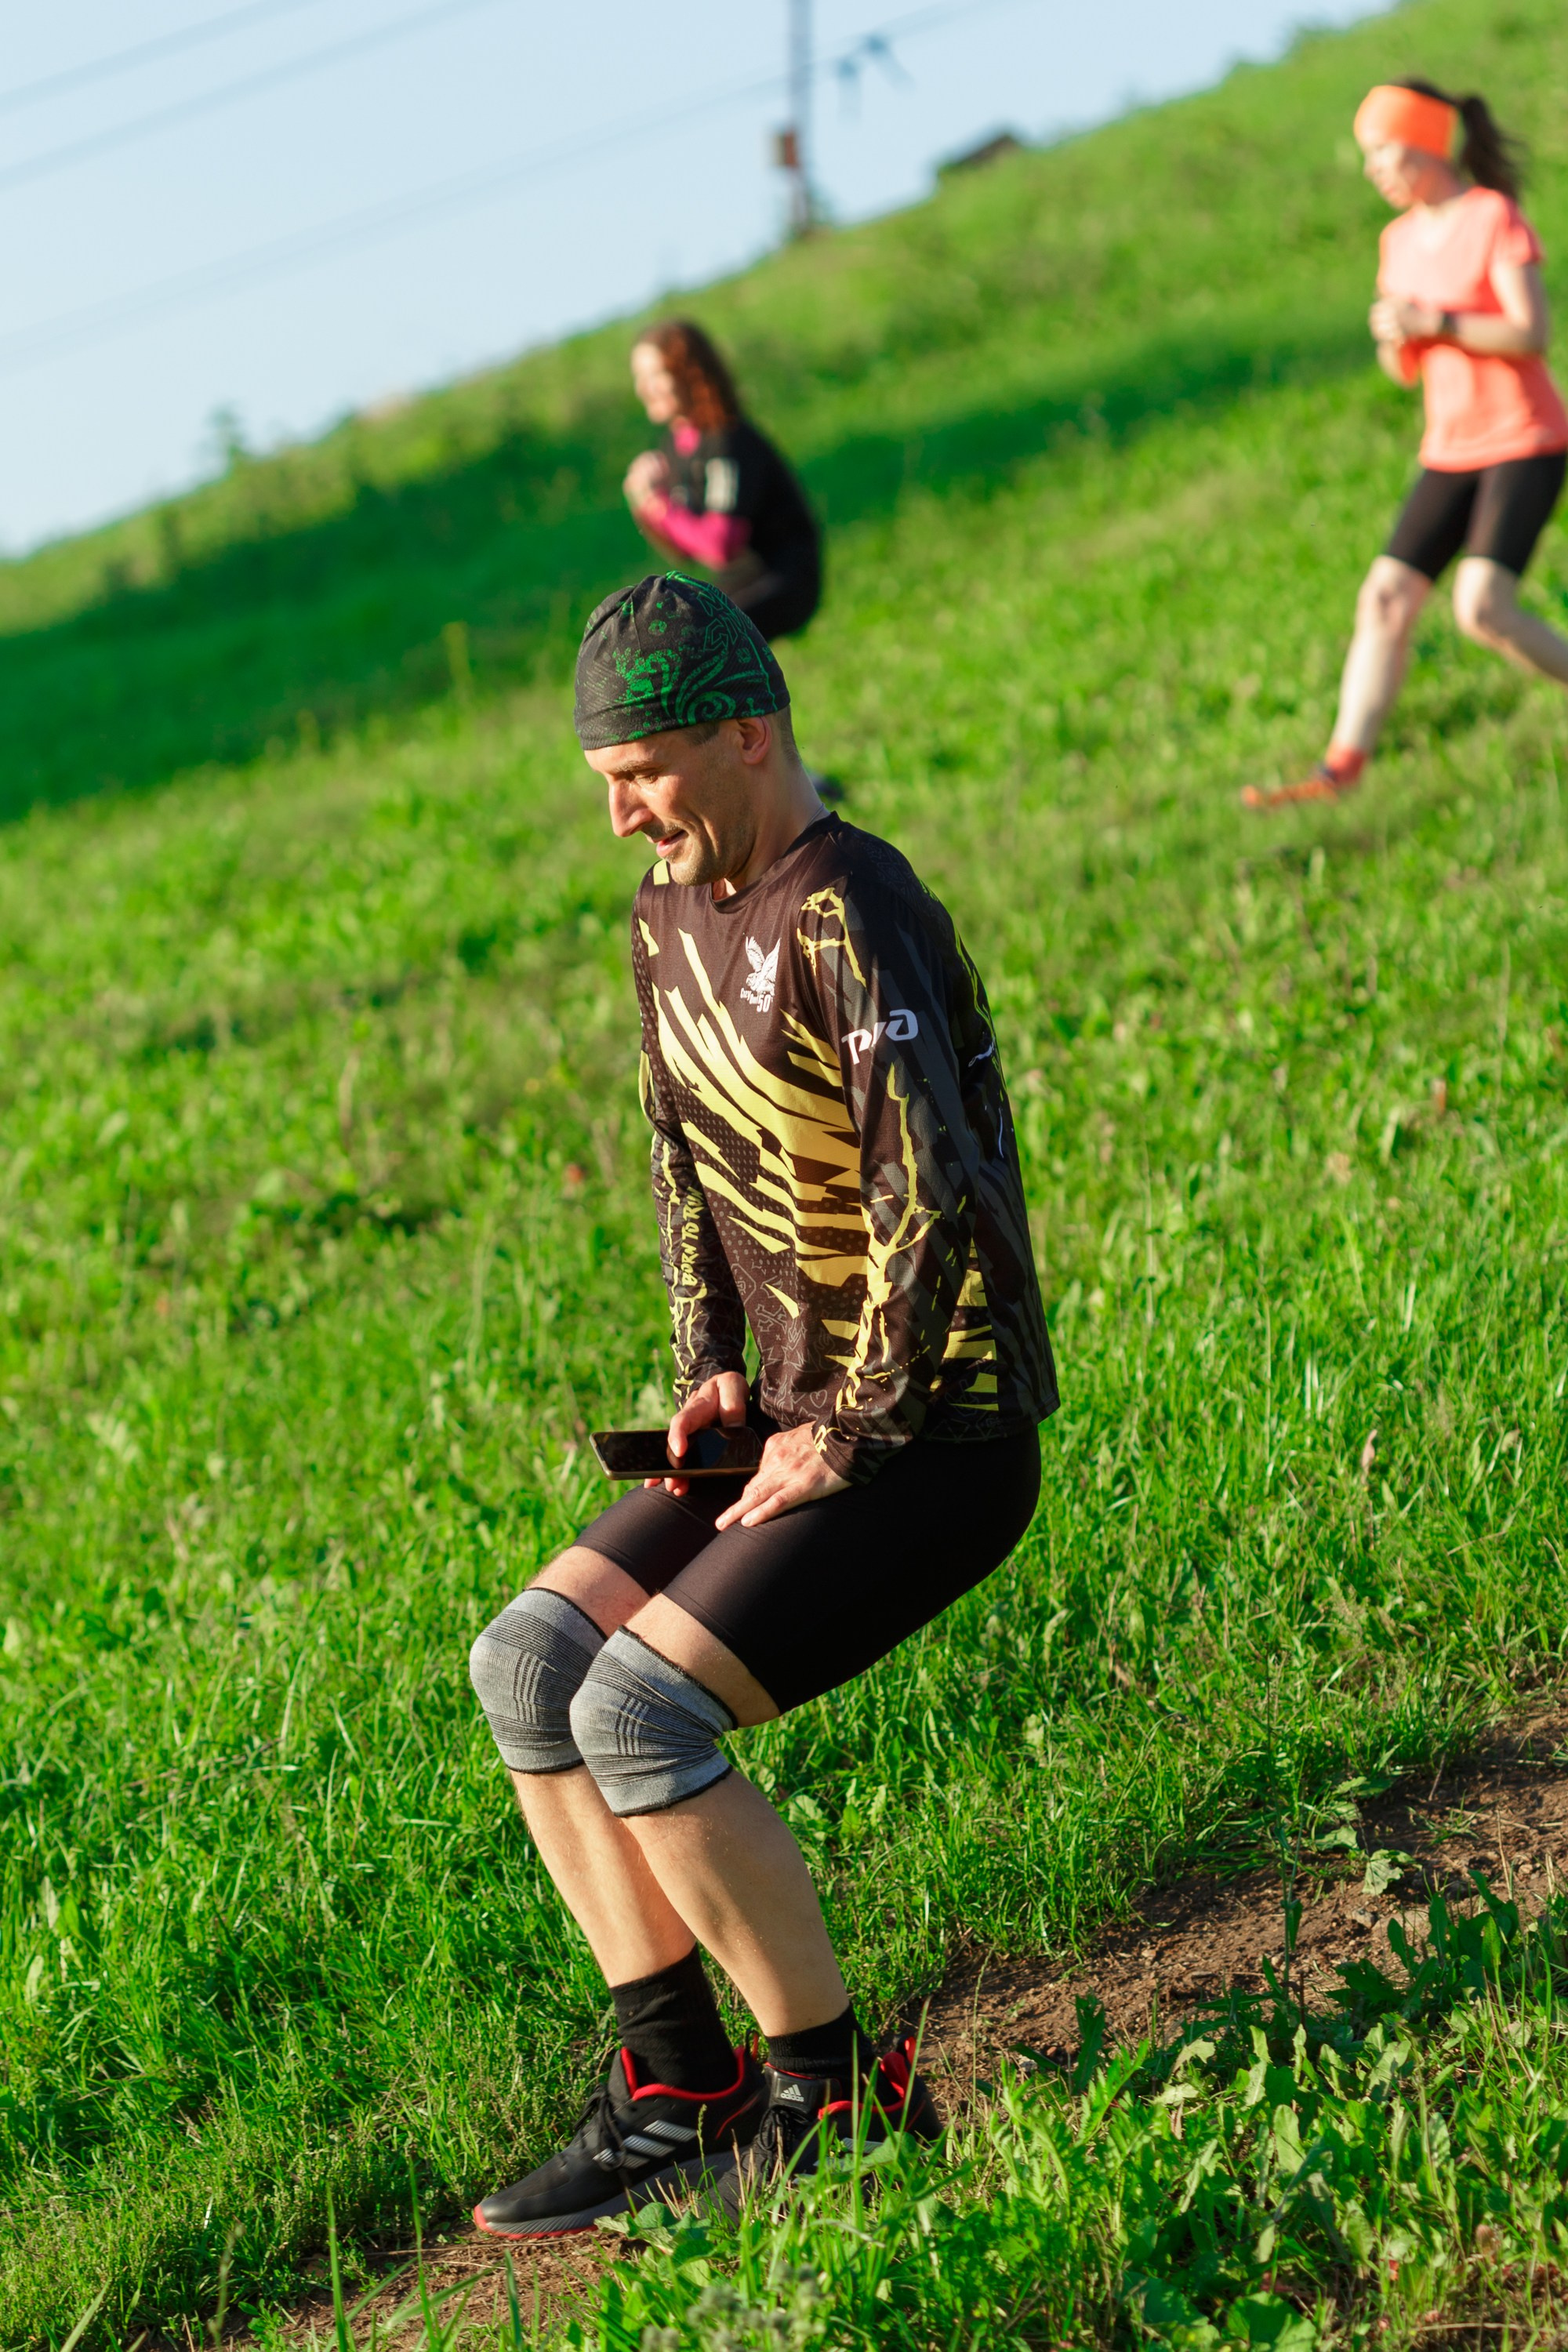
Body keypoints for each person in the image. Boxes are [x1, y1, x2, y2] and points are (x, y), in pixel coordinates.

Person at [467, 573, 1057, 2238]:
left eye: (643, 774)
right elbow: (685, 1154)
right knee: (527, 1665)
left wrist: (847, 1432)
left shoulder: (851, 907)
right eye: (604, 780)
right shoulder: (667, 910)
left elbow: (938, 1198)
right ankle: (680, 2088)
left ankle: (840, 2102)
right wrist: (710, 1360)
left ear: (745, 733)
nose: (621, 816)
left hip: (933, 1432)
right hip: (788, 1415)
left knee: (636, 1716)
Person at [1246, 79, 1568, 811]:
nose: (1371, 169)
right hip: (1449, 446)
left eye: (1381, 151)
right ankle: (1337, 774)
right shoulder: (1396, 241)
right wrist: (1396, 336)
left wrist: (1437, 322)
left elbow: (1532, 331)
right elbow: (1405, 371)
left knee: (1482, 608)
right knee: (1385, 597)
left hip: (1526, 438)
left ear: (1425, 144)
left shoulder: (1491, 216)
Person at [623, 320, 822, 646]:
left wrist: (660, 507)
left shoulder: (726, 441)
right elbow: (683, 550)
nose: (643, 389)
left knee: (693, 644)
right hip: (735, 584)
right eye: (639, 377)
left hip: (783, 580)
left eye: (655, 375)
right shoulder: (674, 448)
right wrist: (643, 501)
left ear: (689, 374)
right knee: (657, 640)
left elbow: (719, 546)